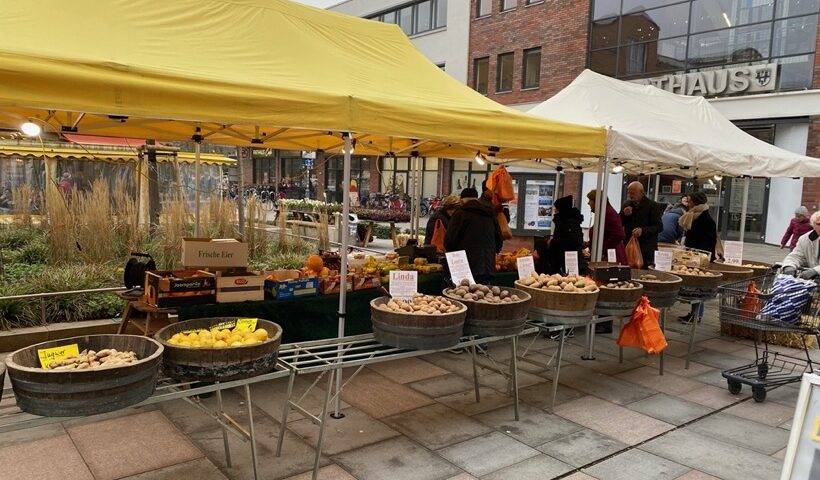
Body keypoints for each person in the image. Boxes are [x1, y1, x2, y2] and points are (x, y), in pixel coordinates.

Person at [444, 187, 503, 285]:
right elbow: (499, 241)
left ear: (462, 200)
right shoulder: (490, 214)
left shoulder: (460, 214)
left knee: (467, 297)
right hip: (488, 267)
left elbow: (449, 242)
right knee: (486, 296)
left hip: (466, 268)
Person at [679, 191, 718, 323]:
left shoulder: (706, 219)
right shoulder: (693, 216)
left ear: (696, 203)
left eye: (689, 201)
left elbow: (709, 242)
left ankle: (696, 316)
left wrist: (696, 254)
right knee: (695, 287)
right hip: (692, 255)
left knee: (699, 288)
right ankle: (694, 313)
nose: (687, 203)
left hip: (701, 258)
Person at [620, 182, 663, 267]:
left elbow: (659, 227)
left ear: (642, 192)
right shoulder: (626, 205)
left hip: (646, 249)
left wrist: (642, 230)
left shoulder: (652, 206)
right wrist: (623, 214)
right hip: (629, 247)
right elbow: (620, 223)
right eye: (629, 193)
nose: (630, 195)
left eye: (633, 193)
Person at [547, 195, 587, 275]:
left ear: (561, 209)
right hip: (573, 261)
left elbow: (562, 242)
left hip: (566, 262)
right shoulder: (573, 221)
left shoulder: (564, 223)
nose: (555, 211)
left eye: (556, 209)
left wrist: (552, 243)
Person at [586, 189, 627, 265]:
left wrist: (602, 249)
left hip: (611, 258)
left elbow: (619, 235)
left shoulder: (608, 213)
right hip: (608, 256)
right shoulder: (604, 212)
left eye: (590, 200)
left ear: (597, 201)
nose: (588, 203)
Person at [782, 211, 820, 280]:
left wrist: (815, 270)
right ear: (813, 225)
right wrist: (789, 266)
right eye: (819, 224)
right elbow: (796, 256)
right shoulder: (805, 239)